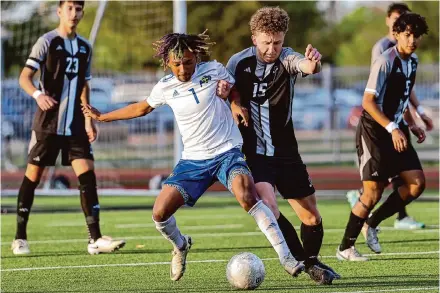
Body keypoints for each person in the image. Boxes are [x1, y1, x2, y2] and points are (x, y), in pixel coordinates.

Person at [82, 31, 305, 282]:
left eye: (188, 62)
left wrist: (233, 103)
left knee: (247, 194)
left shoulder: (213, 70)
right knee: (159, 213)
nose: (183, 68)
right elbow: (141, 108)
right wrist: (102, 117)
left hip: (227, 152)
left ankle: (287, 258)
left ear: (196, 57)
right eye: (176, 64)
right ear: (167, 62)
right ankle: (180, 246)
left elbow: (232, 91)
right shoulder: (165, 87)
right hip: (193, 161)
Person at [224, 6, 339, 285]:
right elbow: (227, 90)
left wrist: (314, 63)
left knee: (311, 217)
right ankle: (302, 262)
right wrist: (234, 101)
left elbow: (307, 66)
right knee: (269, 205)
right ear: (254, 39)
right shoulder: (238, 62)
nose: (271, 49)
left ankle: (311, 260)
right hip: (255, 153)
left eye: (277, 42)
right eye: (266, 42)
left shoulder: (287, 58)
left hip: (287, 151)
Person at [11, 1, 125, 255]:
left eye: (79, 9)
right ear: (60, 11)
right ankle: (20, 237)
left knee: (88, 176)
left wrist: (88, 118)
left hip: (74, 124)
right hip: (48, 124)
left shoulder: (85, 46)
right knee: (33, 177)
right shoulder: (47, 41)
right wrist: (38, 95)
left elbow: (85, 84)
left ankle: (94, 238)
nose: (75, 14)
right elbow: (24, 77)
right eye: (70, 8)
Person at [336, 12, 429, 261]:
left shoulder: (414, 61)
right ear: (396, 34)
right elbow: (368, 102)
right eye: (407, 34)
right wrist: (393, 128)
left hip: (396, 127)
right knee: (372, 192)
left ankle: (372, 223)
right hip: (375, 131)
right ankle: (345, 247)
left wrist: (413, 123)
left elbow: (403, 98)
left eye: (416, 35)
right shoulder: (385, 60)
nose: (411, 40)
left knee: (416, 183)